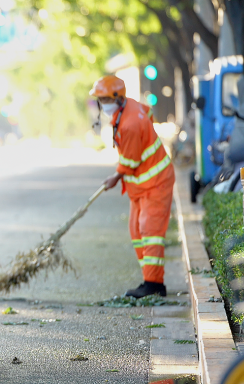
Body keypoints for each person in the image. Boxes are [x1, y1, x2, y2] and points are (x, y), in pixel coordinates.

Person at [90, 75, 175, 298]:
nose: (103, 103)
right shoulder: (131, 108)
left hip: (156, 183)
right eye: (100, 99)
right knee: (136, 231)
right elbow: (148, 112)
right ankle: (148, 277)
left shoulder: (129, 124)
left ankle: (154, 285)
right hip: (142, 185)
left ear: (118, 98)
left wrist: (114, 178)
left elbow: (130, 162)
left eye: (105, 98)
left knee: (150, 231)